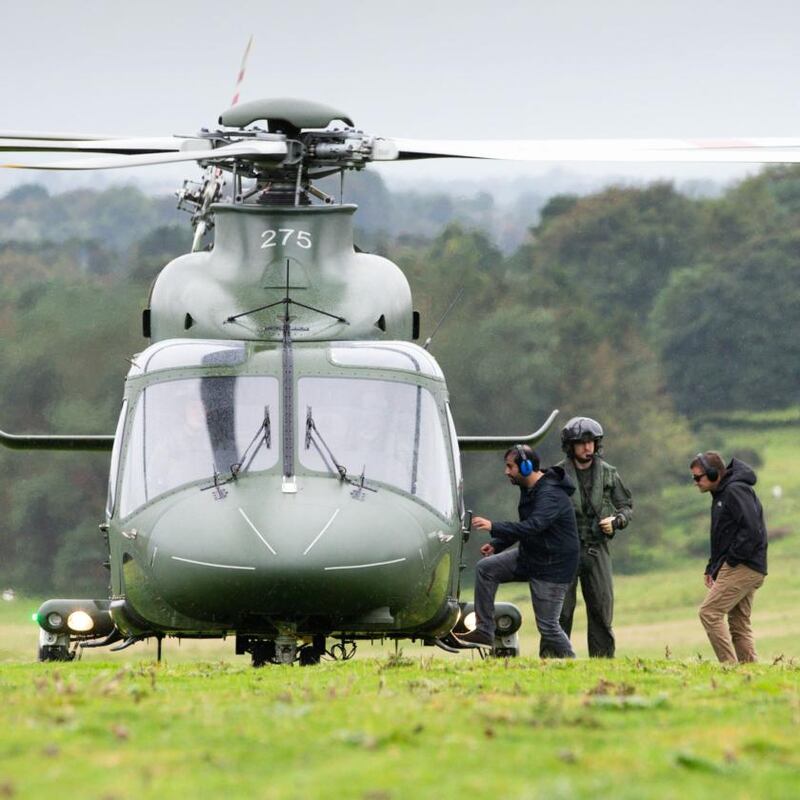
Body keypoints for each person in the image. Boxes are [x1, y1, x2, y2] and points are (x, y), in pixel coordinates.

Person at [458, 444, 579, 658]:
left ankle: (574, 664)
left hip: (552, 568)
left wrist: (493, 526)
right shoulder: (530, 489)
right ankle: (485, 630)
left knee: (548, 627)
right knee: (486, 569)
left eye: (510, 467)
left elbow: (534, 526)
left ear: (525, 467)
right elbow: (526, 528)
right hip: (531, 556)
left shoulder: (550, 494)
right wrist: (498, 543)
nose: (506, 472)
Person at [556, 416, 632, 658]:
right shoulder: (557, 475)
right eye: (581, 442)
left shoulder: (609, 474)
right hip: (564, 551)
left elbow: (626, 507)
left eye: (591, 442)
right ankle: (554, 661)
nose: (587, 447)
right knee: (561, 611)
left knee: (601, 608)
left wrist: (616, 521)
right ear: (571, 446)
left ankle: (602, 662)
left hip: (597, 548)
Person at [691, 451, 768, 663]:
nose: (695, 482)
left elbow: (751, 531)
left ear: (714, 474)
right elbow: (724, 535)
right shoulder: (721, 494)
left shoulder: (735, 491)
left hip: (744, 565)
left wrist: (731, 561)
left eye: (698, 477)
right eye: (693, 478)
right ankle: (749, 672)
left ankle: (729, 667)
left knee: (709, 613)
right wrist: (712, 567)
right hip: (746, 564)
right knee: (738, 623)